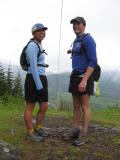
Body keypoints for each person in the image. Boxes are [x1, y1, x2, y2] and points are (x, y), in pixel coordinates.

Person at [65, 17, 97, 139]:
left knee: (85, 106)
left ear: (84, 25)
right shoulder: (77, 40)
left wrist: (84, 80)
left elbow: (93, 61)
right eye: (73, 24)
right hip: (75, 75)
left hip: (85, 76)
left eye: (78, 24)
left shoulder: (88, 39)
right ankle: (76, 129)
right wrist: (72, 51)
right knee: (76, 106)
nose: (75, 26)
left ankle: (84, 132)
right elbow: (80, 52)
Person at [24, 23, 49, 141]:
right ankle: (30, 132)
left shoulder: (39, 45)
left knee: (44, 105)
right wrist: (38, 84)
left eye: (43, 31)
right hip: (33, 78)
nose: (42, 32)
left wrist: (41, 81)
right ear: (33, 33)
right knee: (30, 105)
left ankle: (38, 127)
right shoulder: (32, 46)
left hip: (41, 77)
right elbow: (33, 66)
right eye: (39, 31)